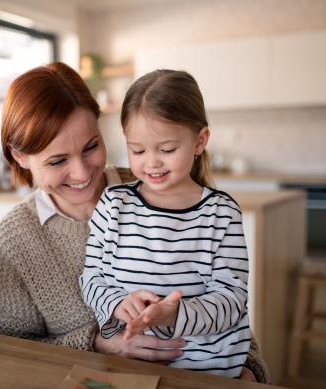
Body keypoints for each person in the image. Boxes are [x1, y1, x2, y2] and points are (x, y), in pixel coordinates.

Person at [0, 62, 269, 383]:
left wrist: (249, 371)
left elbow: (229, 303)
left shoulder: (163, 185)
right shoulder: (15, 239)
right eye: (58, 160)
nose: (81, 173)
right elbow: (7, 353)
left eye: (91, 146)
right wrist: (95, 344)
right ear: (19, 156)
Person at [80, 69, 250, 378]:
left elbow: (232, 299)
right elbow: (91, 279)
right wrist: (118, 304)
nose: (152, 162)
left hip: (207, 371)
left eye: (167, 150)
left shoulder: (220, 213)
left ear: (200, 141)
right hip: (130, 370)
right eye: (138, 150)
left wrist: (177, 314)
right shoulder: (112, 204)